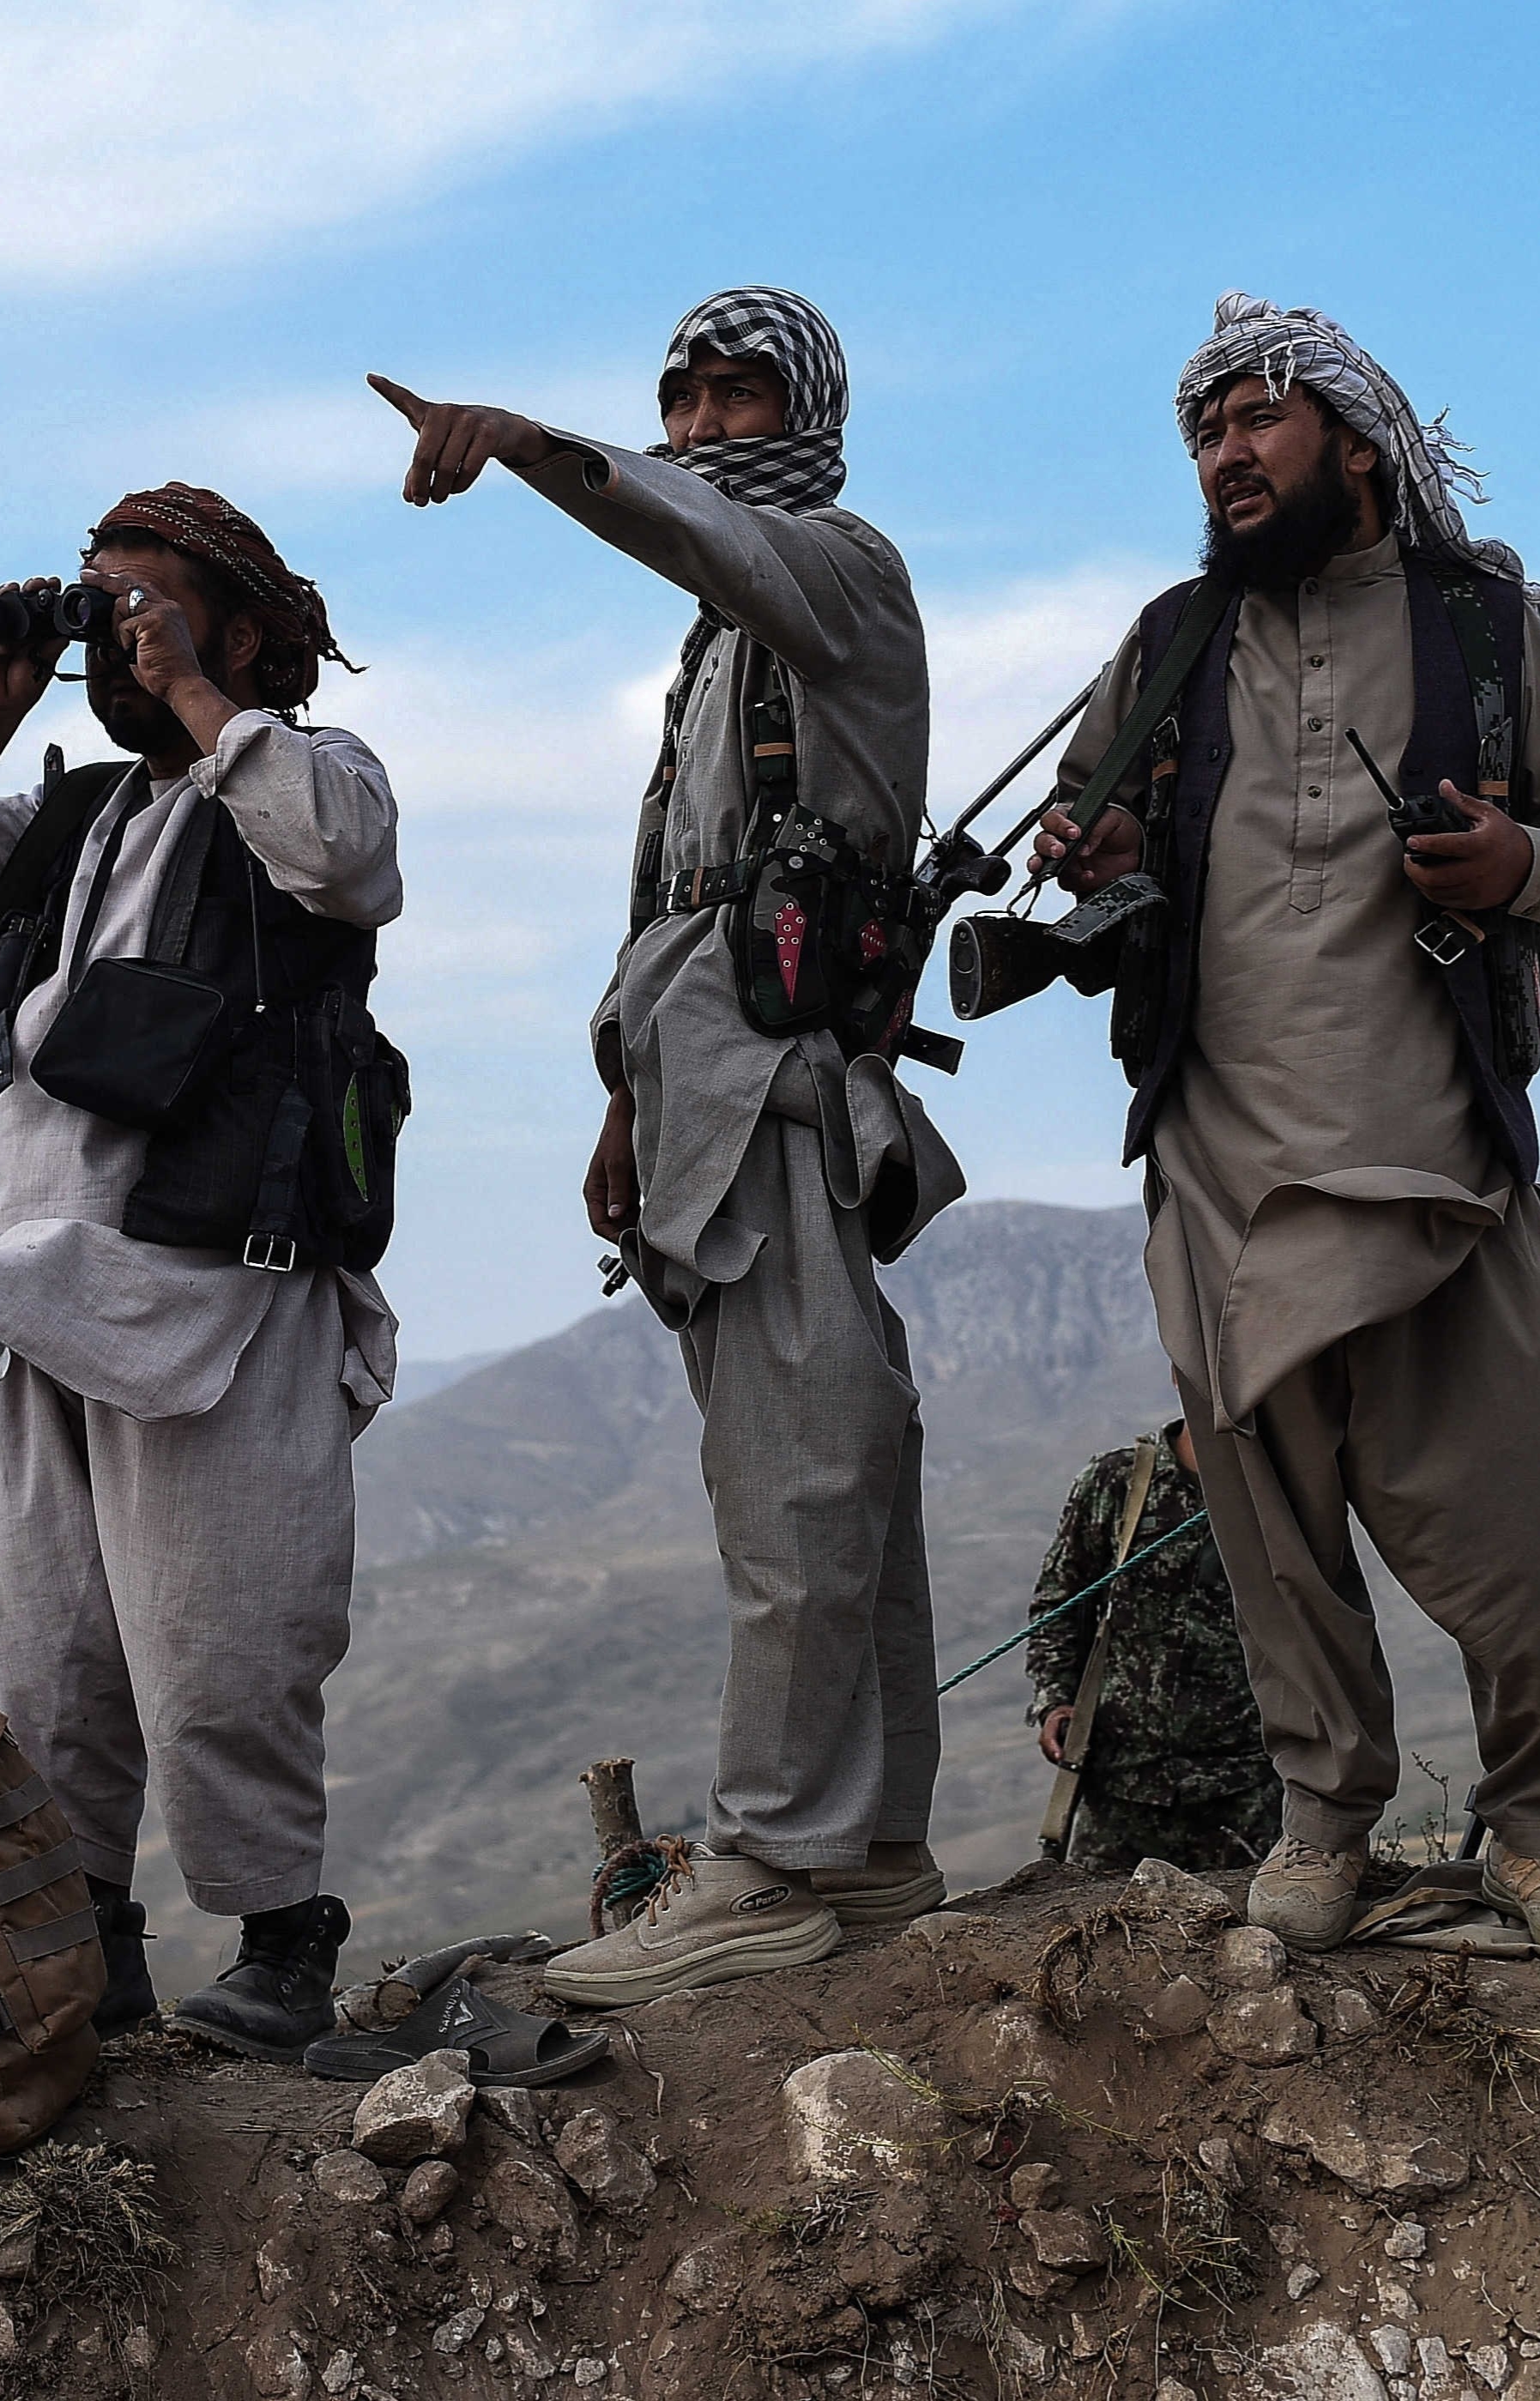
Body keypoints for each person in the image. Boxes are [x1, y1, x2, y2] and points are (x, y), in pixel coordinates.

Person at [1030, 293, 1540, 1960]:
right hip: (1218, 1150)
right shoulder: (1169, 641)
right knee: (1272, 1537)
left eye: (1257, 419)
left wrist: (1519, 867)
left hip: (1436, 1145)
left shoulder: (1482, 627)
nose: (1227, 453)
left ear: (1351, 437)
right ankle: (1324, 1819)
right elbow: (1096, 829)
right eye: (1205, 431)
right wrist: (1098, 844)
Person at [373, 288, 963, 2005]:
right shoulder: (719, 646)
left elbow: (696, 526)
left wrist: (541, 448)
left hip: (783, 1099)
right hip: (704, 1099)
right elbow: (684, 893)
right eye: (681, 397)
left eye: (739, 393)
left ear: (811, 407)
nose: (705, 423)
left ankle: (776, 1855)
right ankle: (870, 1855)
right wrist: (628, 1094)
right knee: (819, 1456)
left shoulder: (834, 568)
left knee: (805, 1466)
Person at [0, 483, 403, 2059]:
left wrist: (192, 693)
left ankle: (285, 1942)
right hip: (35, 1282)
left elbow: (347, 860)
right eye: (99, 603)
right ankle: (90, 1943)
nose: (116, 633)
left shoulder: (305, 772)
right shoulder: (83, 818)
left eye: (142, 603)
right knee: (58, 1651)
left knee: (225, 1636)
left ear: (235, 624)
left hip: (214, 1281)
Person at [1024, 1422, 1283, 1875]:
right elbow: (1061, 1603)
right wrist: (1055, 1701)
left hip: (1247, 1784)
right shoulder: (1119, 1481)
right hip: (1120, 1785)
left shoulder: (1281, 1486)